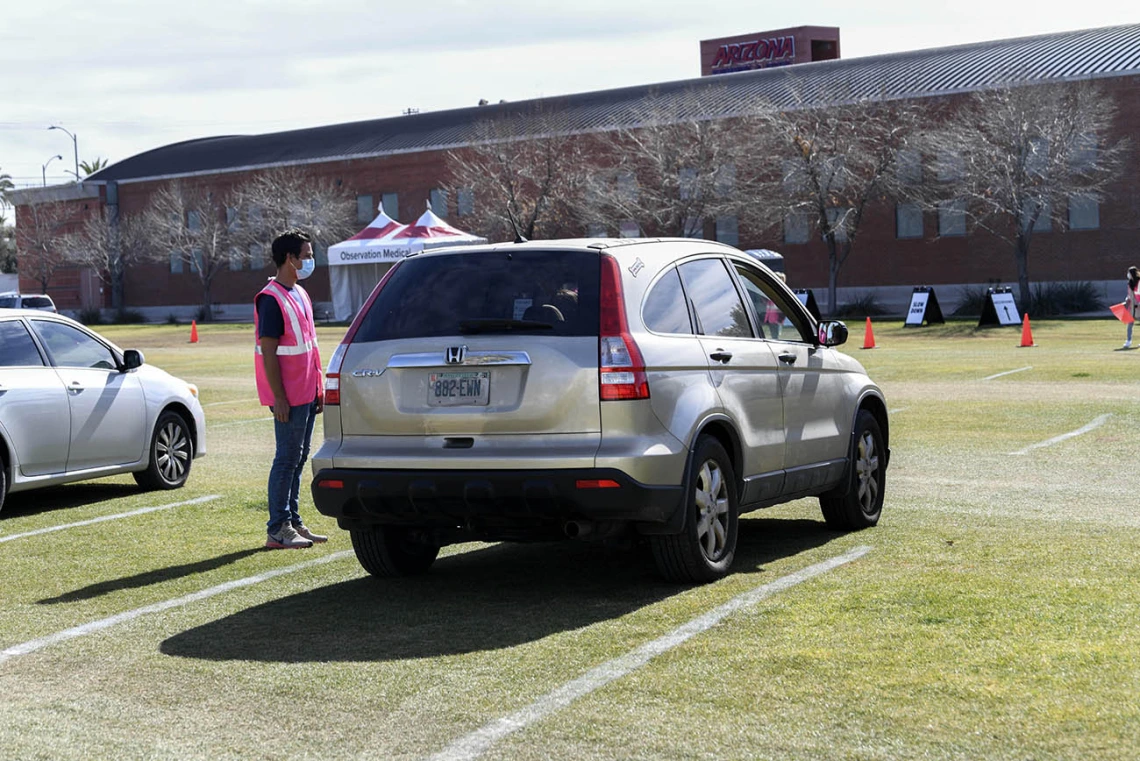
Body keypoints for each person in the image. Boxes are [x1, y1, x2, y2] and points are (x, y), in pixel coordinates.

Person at [255, 229, 327, 549]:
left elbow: (309, 346)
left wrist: (319, 386)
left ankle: (293, 521)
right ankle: (278, 527)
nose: (311, 260)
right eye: (307, 255)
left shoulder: (300, 293)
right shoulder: (271, 299)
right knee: (286, 458)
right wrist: (279, 397)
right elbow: (269, 353)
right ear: (290, 258)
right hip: (289, 396)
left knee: (299, 458)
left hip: (308, 391)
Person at [1124, 266, 1140, 349]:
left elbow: (1138, 294)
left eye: (1129, 273)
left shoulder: (1139, 283)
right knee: (1130, 324)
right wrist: (1127, 300)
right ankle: (1128, 341)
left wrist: (1138, 303)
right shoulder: (1129, 283)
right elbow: (1129, 295)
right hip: (1132, 308)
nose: (1128, 275)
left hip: (1138, 307)